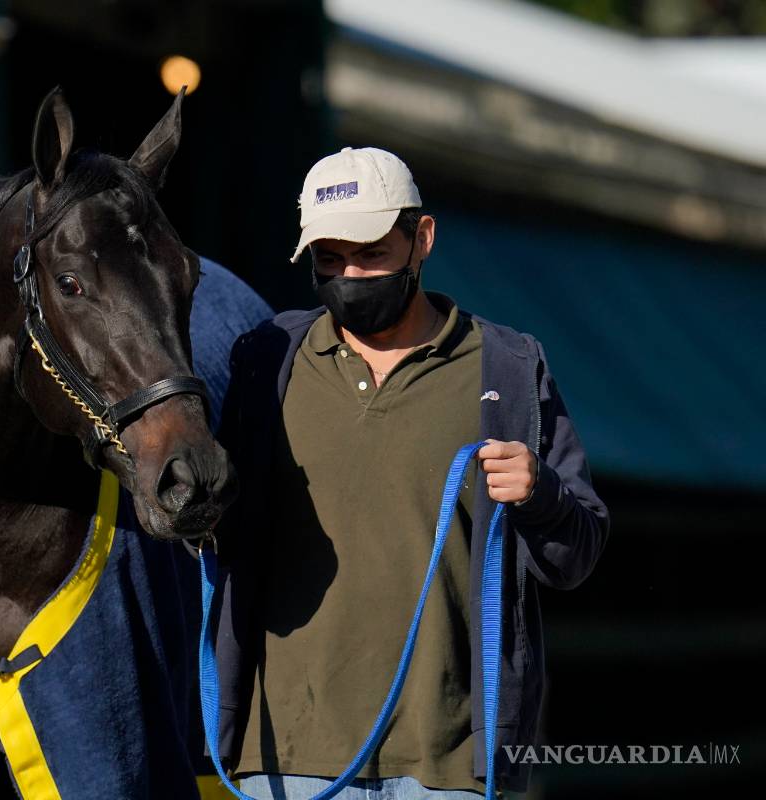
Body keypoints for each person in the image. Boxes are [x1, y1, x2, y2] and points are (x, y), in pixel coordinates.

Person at [210, 147, 609, 798]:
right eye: (329, 260)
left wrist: (542, 495)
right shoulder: (267, 362)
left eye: (370, 254)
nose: (349, 276)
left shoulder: (505, 368)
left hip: (448, 764)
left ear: (421, 238)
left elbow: (577, 553)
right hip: (285, 760)